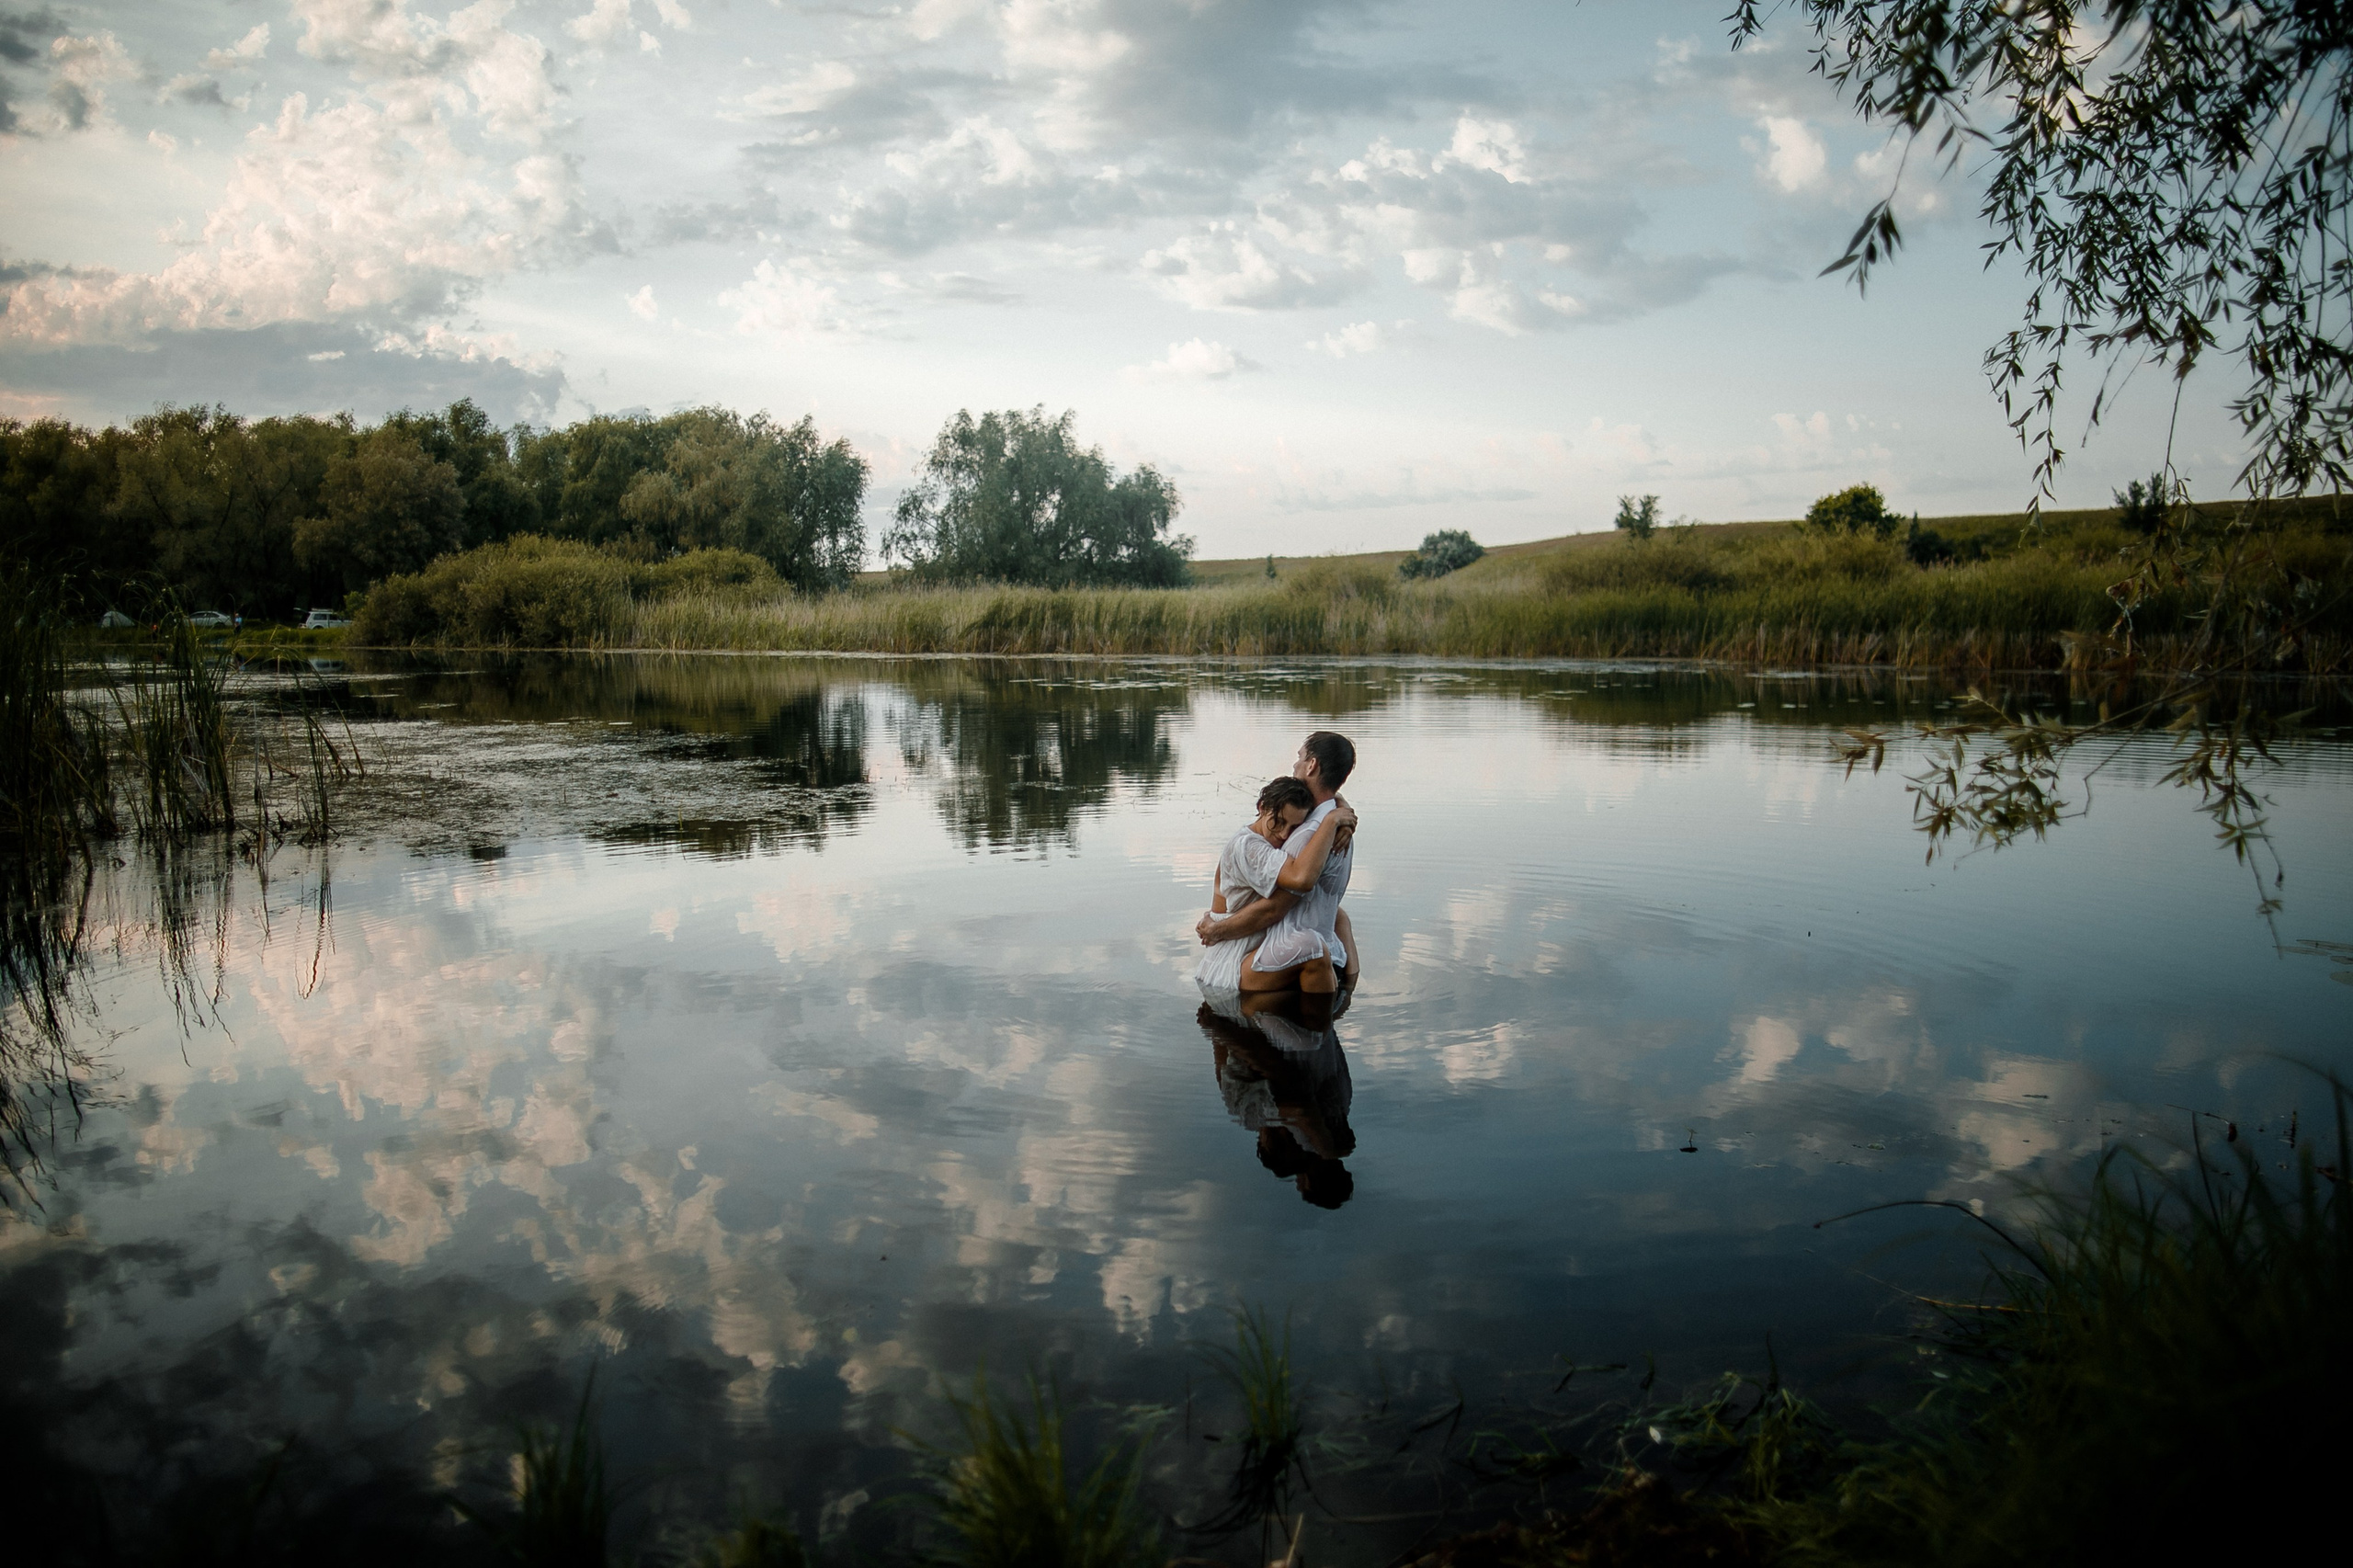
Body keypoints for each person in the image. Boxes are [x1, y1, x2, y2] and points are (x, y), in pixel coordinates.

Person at [1196, 731, 1360, 996]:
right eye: (1279, 823)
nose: (1284, 834)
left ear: (1312, 765)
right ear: (1262, 808)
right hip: (1236, 955)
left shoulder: (1313, 830)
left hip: (1250, 951)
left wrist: (1335, 814)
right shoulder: (1264, 841)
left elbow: (1283, 900)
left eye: (1299, 757)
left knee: (1332, 926)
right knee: (1320, 938)